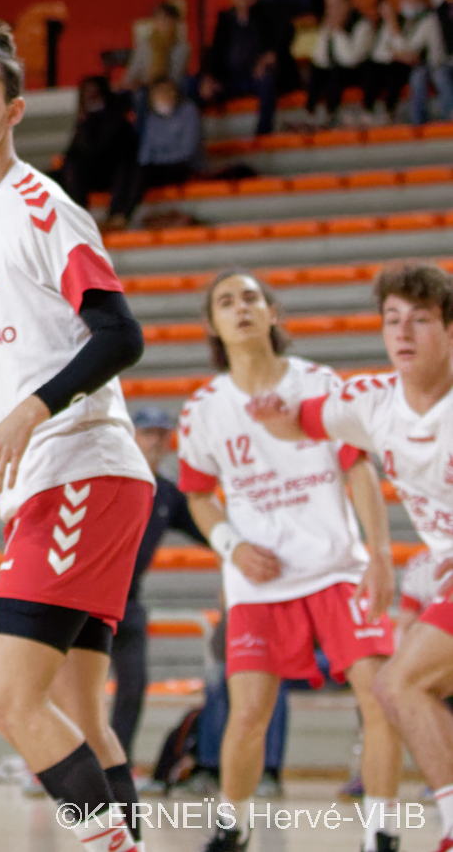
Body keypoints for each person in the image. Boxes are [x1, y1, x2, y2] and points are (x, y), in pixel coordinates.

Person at [0, 21, 151, 852]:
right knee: (80, 707)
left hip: (80, 468)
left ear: (14, 110)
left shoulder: (39, 206)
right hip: (63, 473)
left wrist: (28, 412)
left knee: (9, 696)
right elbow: (37, 353)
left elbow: (120, 334)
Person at [178, 269, 400, 852]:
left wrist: (379, 554)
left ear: (272, 312)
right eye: (227, 302)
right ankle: (233, 826)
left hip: (337, 569)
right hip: (260, 582)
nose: (241, 308)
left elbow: (358, 469)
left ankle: (381, 832)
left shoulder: (319, 384)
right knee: (247, 713)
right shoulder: (203, 410)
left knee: (380, 698)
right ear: (212, 324)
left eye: (251, 298)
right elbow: (197, 496)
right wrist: (232, 547)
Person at [249, 263, 453, 852]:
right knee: (403, 687)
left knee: (401, 683)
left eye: (421, 319)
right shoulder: (371, 401)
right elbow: (304, 422)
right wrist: (276, 413)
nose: (403, 332)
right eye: (392, 320)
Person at [111, 408, 210, 769]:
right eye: (147, 433)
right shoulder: (111, 480)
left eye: (161, 434)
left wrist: (241, 544)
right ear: (132, 436)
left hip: (127, 603)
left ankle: (117, 766)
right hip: (87, 601)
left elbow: (207, 529)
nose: (154, 441)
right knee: (73, 688)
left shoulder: (166, 494)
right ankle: (62, 766)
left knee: (133, 686)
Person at [199, 0, 295, 136]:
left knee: (267, 79)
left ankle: (262, 134)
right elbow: (215, 52)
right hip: (231, 79)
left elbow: (287, 32)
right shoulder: (226, 19)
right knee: (190, 85)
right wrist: (208, 76)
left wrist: (270, 55)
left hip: (257, 77)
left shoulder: (269, 11)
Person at [118, 77, 202, 224]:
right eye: (160, 92)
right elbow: (145, 152)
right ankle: (115, 214)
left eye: (169, 91)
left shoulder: (189, 112)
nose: (166, 96)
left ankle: (124, 216)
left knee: (143, 173)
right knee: (128, 170)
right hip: (158, 167)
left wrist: (158, 161)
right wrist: (152, 163)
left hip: (184, 166)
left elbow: (188, 150)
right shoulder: (152, 119)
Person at [57, 77, 137, 224]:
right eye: (87, 92)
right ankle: (77, 217)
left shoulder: (118, 119)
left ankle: (118, 216)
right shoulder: (84, 120)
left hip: (113, 171)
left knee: (129, 168)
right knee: (66, 169)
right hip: (90, 173)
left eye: (94, 91)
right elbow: (75, 151)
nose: (91, 96)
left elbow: (110, 146)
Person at [374, 0, 449, 126]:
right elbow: (379, 53)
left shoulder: (428, 20)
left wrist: (397, 37)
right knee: (385, 73)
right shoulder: (394, 20)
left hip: (424, 65)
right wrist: (398, 53)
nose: (412, 1)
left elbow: (433, 52)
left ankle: (423, 122)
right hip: (398, 67)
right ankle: (393, 117)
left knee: (420, 76)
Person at [307, 0, 372, 127]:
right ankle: (310, 115)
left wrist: (338, 31)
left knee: (335, 73)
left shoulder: (362, 25)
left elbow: (350, 59)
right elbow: (319, 58)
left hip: (357, 72)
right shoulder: (327, 26)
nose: (333, 10)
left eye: (337, 4)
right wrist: (327, 33)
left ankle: (334, 117)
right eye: (329, 6)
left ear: (348, 4)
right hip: (335, 70)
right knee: (316, 73)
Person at [124, 2, 190, 93]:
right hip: (142, 87)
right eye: (160, 19)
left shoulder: (181, 48)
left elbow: (175, 78)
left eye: (168, 20)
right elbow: (132, 73)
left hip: (168, 91)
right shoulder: (144, 45)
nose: (164, 24)